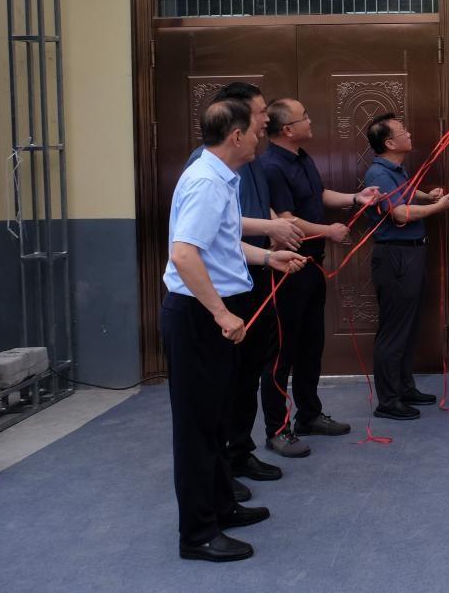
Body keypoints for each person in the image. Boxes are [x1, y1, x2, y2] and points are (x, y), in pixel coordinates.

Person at [162, 99, 306, 561]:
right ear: (236, 135)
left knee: (217, 420)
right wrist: (222, 314)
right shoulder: (207, 182)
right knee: (198, 428)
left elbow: (223, 241)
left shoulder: (221, 178)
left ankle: (221, 506)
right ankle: (197, 534)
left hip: (208, 313)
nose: (262, 133)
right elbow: (185, 254)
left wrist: (268, 256)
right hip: (198, 317)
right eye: (256, 128)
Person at [184, 82, 303, 490]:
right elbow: (189, 249)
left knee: (248, 371)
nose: (266, 120)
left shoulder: (247, 160)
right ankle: (220, 470)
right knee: (221, 384)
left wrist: (271, 243)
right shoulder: (207, 171)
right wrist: (270, 229)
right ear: (234, 123)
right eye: (260, 113)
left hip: (250, 272)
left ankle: (238, 451)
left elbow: (237, 219)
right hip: (220, 290)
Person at [259, 98, 380, 457]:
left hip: (311, 265)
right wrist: (328, 231)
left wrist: (355, 198)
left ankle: (309, 415)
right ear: (287, 129)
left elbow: (319, 194)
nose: (310, 121)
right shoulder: (270, 166)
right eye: (305, 117)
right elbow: (286, 220)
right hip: (287, 269)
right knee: (281, 353)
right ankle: (276, 429)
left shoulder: (301, 157)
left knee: (311, 345)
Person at [362, 113, 449, 420]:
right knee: (394, 330)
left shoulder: (395, 170)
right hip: (395, 256)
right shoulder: (378, 173)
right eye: (403, 131)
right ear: (390, 143)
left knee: (408, 326)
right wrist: (437, 208)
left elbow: (406, 194)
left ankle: (404, 388)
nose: (409, 134)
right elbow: (400, 213)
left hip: (410, 254)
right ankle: (388, 401)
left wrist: (428, 196)